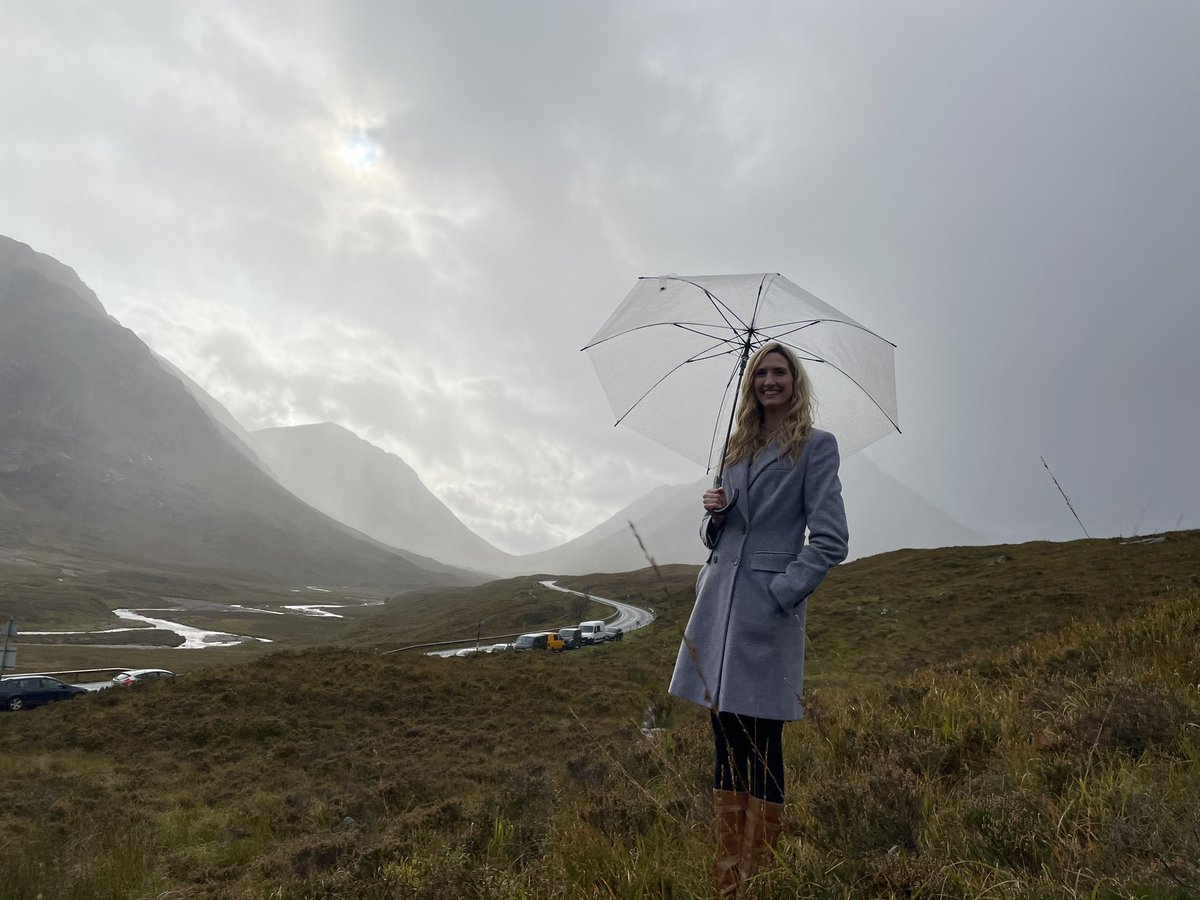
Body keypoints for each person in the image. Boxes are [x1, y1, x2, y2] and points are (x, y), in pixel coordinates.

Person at [668, 342, 849, 896]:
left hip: (767, 616)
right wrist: (714, 514)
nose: (770, 381)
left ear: (795, 383)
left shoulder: (816, 447)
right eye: (761, 374)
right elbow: (718, 537)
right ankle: (728, 881)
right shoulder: (737, 446)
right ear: (751, 385)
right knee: (725, 741)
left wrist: (781, 594)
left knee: (764, 743)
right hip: (719, 607)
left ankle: (761, 877)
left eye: (780, 373)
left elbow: (831, 540)